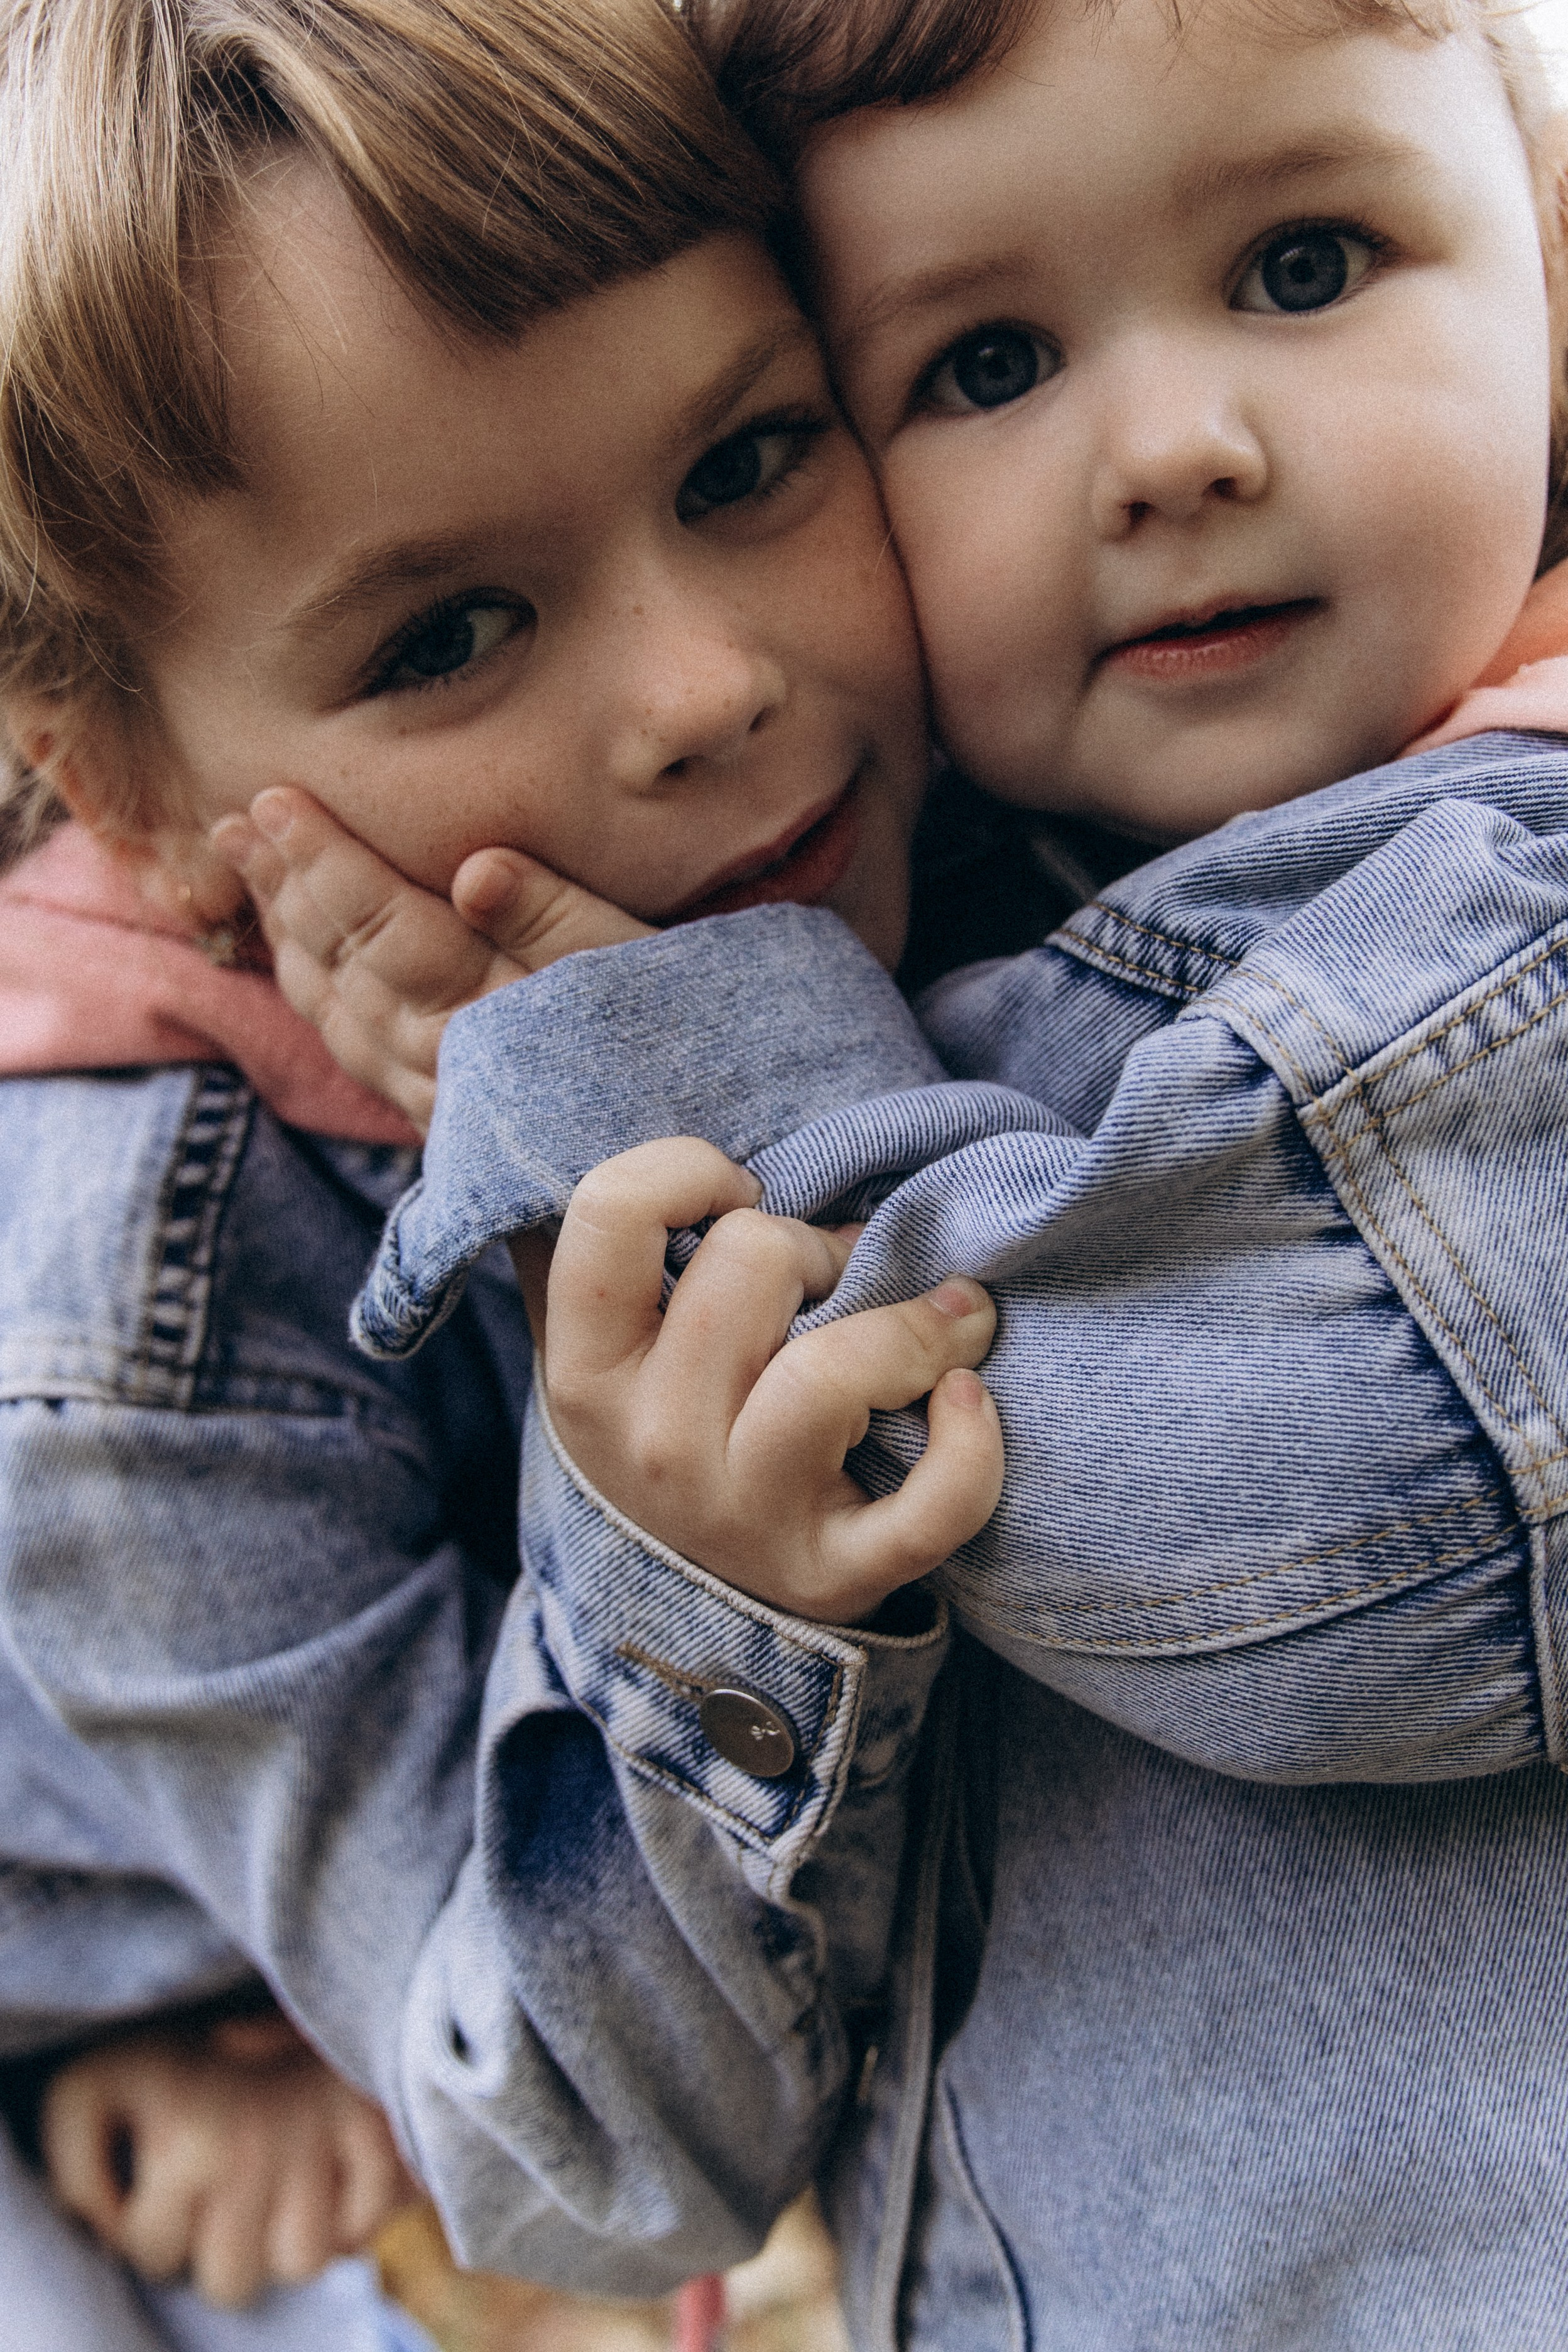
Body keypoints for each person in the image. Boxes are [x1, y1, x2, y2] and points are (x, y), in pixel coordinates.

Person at [231, 0, 1568, 2341]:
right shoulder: (943, 952)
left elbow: (1314, 1524)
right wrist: (699, 1566)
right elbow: (609, 2168)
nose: (1172, 450)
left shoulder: (1514, 887)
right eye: (981, 366)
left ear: (1549, 236)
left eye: (1306, 263)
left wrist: (656, 1088)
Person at [0, 0, 997, 2339]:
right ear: (133, 793)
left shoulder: (895, 760)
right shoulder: (133, 1337)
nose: (702, 689)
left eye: (749, 460)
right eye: (450, 633)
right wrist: (692, 1568)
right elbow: (587, 2158)